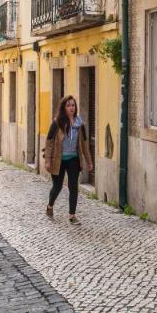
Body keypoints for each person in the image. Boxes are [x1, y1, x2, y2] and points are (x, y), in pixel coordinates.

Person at [43, 95, 93, 224]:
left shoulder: (79, 123)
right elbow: (49, 142)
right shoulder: (57, 122)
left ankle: (72, 215)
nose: (71, 108)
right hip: (58, 160)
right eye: (68, 105)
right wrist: (47, 160)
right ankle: (50, 206)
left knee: (73, 187)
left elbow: (84, 144)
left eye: (73, 105)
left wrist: (89, 161)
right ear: (64, 108)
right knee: (57, 186)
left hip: (73, 159)